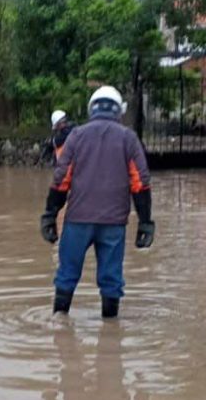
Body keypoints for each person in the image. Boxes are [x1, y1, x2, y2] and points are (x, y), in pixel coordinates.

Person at [39, 86, 155, 319]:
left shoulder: (76, 136)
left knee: (66, 275)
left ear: (92, 108)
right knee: (111, 280)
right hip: (113, 224)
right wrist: (145, 222)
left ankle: (58, 328)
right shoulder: (128, 138)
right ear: (117, 110)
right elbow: (140, 183)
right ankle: (111, 335)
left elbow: (61, 180)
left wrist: (50, 214)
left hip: (77, 221)